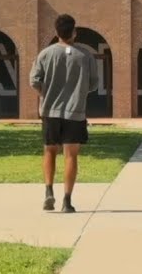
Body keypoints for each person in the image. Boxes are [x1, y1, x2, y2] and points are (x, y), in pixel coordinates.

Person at [30, 13, 99, 213]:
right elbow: (94, 83)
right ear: (74, 32)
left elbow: (34, 80)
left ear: (56, 32)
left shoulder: (45, 54)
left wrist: (46, 93)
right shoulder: (85, 56)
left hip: (50, 111)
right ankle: (67, 201)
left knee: (49, 151)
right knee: (71, 155)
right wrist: (79, 91)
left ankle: (48, 191)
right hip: (75, 112)